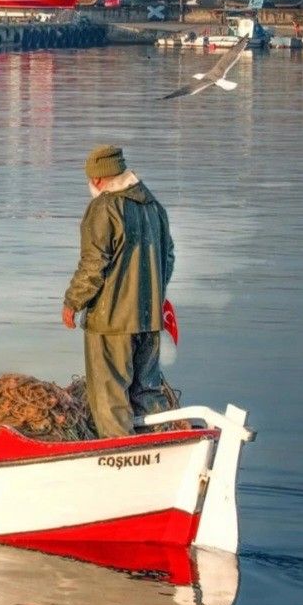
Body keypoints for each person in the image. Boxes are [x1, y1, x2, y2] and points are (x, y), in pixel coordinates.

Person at [62, 145, 174, 438]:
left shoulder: (103, 208)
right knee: (148, 391)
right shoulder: (154, 206)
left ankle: (120, 457)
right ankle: (163, 445)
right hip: (149, 321)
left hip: (111, 322)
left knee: (109, 396)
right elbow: (169, 257)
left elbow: (94, 263)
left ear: (98, 179)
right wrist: (154, 293)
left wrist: (73, 302)